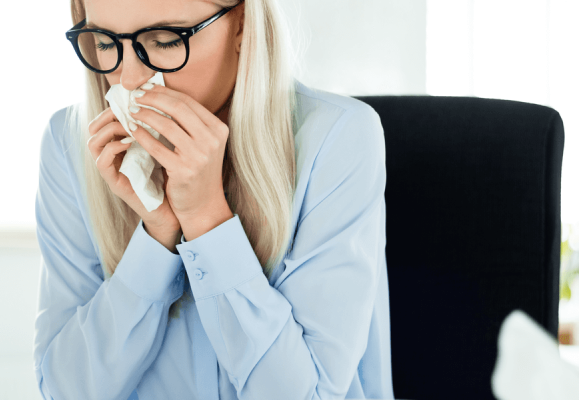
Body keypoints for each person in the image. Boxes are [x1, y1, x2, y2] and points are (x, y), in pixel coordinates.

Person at [33, 0, 392, 398]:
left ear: (241, 26)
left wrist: (206, 217)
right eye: (104, 43)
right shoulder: (72, 144)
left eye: (165, 40)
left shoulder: (338, 139)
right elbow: (66, 391)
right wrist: (157, 234)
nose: (129, 80)